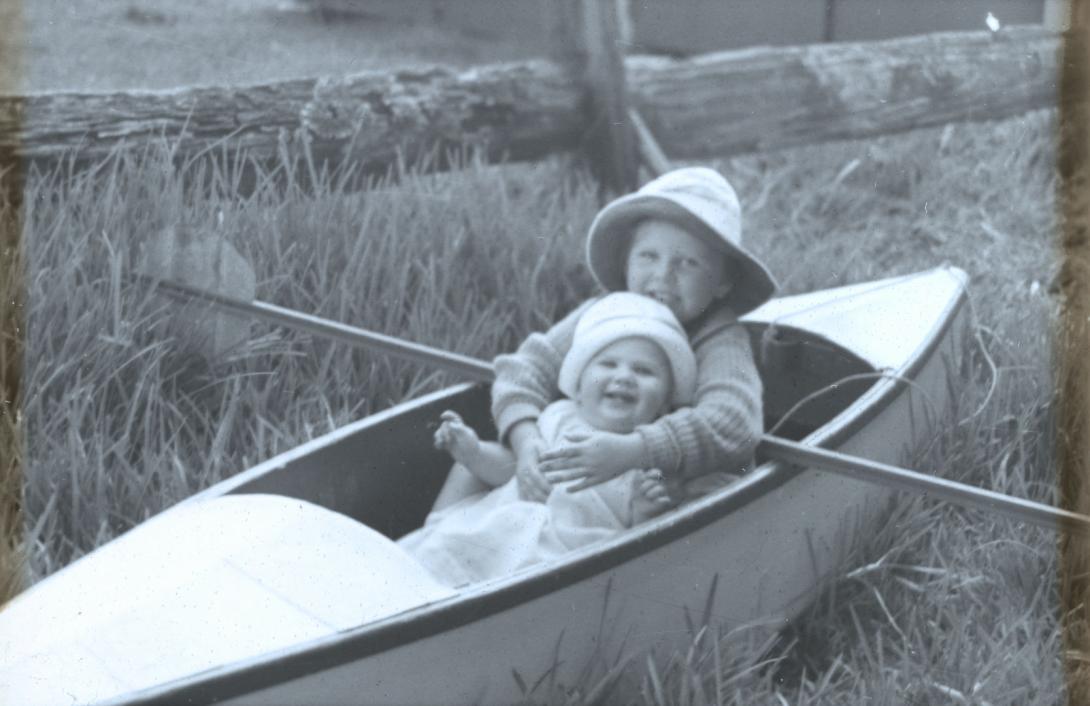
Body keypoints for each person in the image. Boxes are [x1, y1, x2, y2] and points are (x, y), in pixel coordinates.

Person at [430, 166, 779, 511]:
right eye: (648, 256)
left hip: (657, 480)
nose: (663, 275)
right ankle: (432, 536)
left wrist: (632, 452)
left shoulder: (720, 336)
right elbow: (527, 368)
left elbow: (733, 421)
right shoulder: (608, 311)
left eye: (688, 263)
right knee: (474, 461)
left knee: (699, 491)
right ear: (626, 262)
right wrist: (526, 442)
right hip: (578, 471)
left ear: (723, 282)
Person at [398, 293, 697, 587]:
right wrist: (474, 453)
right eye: (608, 364)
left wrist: (645, 511)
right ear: (577, 386)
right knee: (444, 549)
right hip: (500, 531)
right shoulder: (557, 417)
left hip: (562, 557)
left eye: (644, 371)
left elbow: (641, 549)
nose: (624, 376)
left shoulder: (643, 456)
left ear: (664, 406)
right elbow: (512, 469)